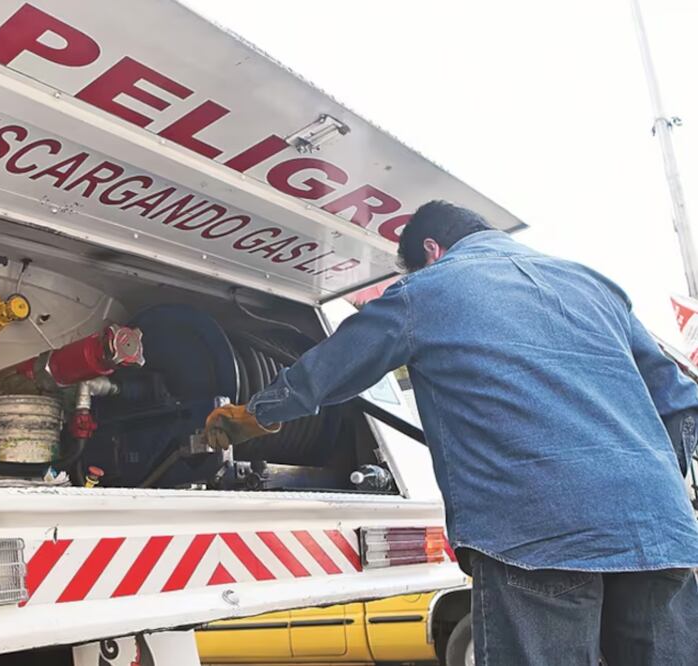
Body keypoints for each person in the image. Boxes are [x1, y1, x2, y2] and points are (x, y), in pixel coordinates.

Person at [205, 201, 698, 666]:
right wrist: (656, 485)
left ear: (431, 251)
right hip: (658, 528)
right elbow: (679, 400)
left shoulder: (428, 290)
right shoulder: (597, 286)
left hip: (538, 533)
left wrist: (253, 416)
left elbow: (328, 372)